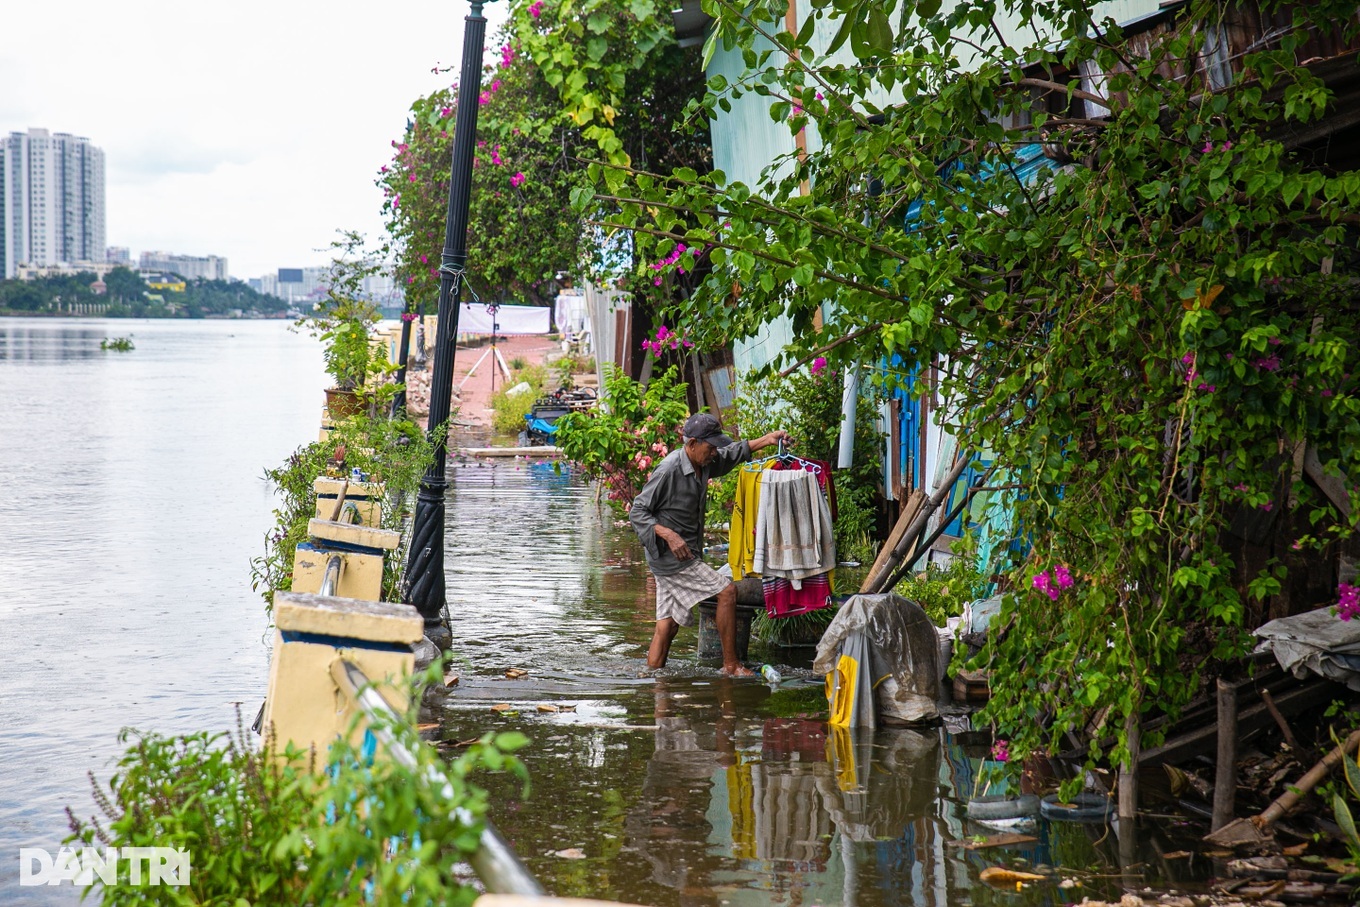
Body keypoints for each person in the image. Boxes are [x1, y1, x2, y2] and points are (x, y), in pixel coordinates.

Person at [630, 413, 789, 676]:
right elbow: (638, 512)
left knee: (667, 626)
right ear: (692, 444)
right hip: (673, 558)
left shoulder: (703, 463)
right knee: (726, 592)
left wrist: (767, 440)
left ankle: (652, 681)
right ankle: (731, 665)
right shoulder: (669, 469)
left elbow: (731, 455)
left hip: (679, 554)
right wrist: (669, 535)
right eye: (710, 447)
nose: (714, 452)